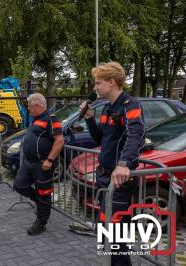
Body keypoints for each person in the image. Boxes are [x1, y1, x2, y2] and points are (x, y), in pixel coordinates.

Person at [80, 62, 145, 266]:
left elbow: (136, 134)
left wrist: (124, 163)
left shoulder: (129, 104)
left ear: (111, 82)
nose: (95, 87)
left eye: (98, 83)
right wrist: (90, 119)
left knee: (111, 229)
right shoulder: (108, 108)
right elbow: (101, 139)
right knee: (112, 232)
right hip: (104, 176)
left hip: (119, 179)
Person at [13, 93, 64, 236]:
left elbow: (59, 141)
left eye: (29, 106)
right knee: (19, 185)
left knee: (44, 193)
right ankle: (41, 202)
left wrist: (49, 160)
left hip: (42, 164)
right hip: (28, 162)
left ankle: (41, 223)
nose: (28, 109)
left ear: (36, 105)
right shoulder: (35, 120)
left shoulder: (51, 119)